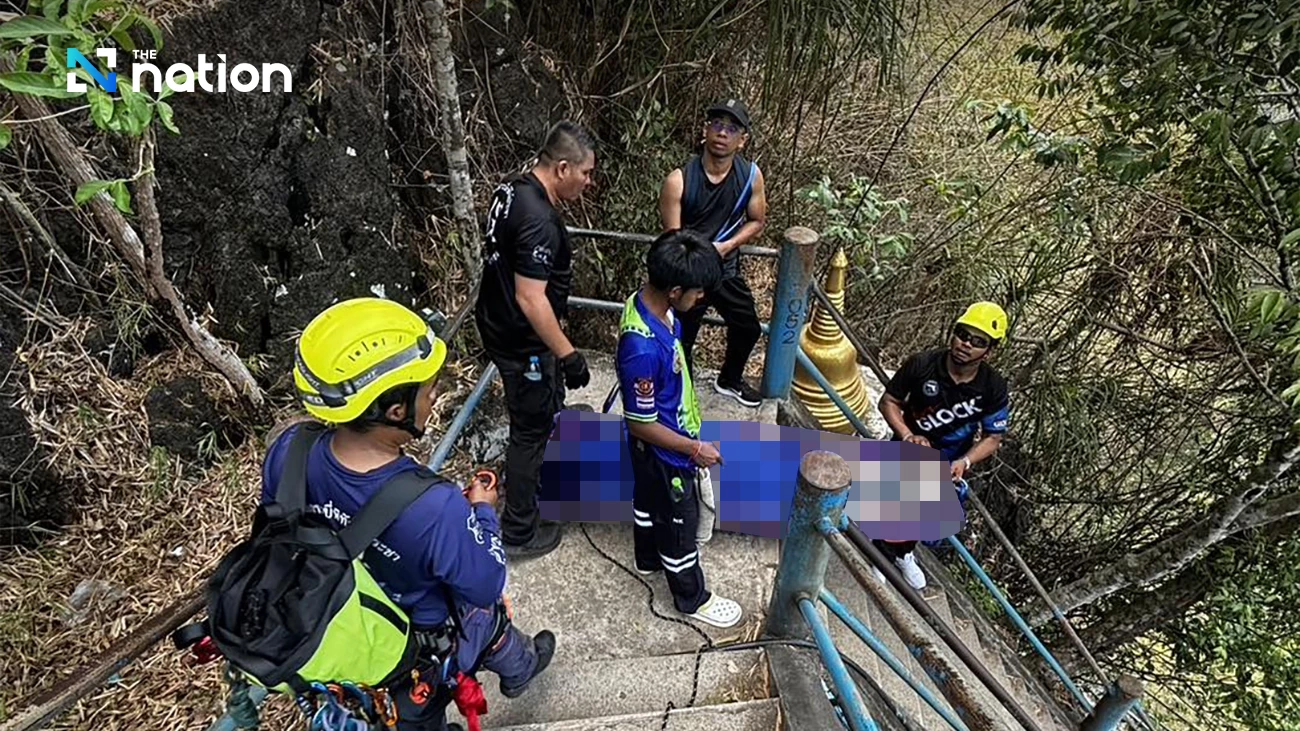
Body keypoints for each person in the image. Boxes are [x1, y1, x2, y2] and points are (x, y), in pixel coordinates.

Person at [268, 297, 556, 730]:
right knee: (485, 614)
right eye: (428, 387)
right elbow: (484, 583)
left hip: (332, 627)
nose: (436, 393)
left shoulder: (289, 451)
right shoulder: (433, 507)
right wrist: (481, 512)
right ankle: (520, 667)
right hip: (406, 655)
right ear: (396, 410)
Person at [474, 121, 597, 558]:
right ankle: (519, 529)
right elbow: (531, 298)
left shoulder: (511, 190)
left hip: (496, 322)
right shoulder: (539, 219)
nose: (588, 182)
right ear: (562, 168)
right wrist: (568, 354)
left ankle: (548, 468)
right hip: (521, 339)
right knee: (529, 431)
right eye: (584, 173)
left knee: (541, 412)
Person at [614, 229, 744, 629]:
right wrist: (693, 449)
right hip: (667, 449)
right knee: (678, 524)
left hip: (660, 442)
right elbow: (641, 423)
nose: (701, 298)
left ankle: (647, 558)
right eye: (697, 291)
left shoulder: (654, 307)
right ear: (673, 290)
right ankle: (691, 596)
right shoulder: (641, 347)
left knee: (647, 502)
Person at [874, 302, 1012, 590]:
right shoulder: (923, 364)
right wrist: (907, 433)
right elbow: (888, 401)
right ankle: (881, 554)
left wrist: (967, 461)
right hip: (909, 447)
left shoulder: (992, 387)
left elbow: (993, 437)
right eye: (962, 334)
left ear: (989, 350)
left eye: (978, 341)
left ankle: (902, 553)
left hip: (949, 458)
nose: (966, 344)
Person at [658, 98, 767, 408]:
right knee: (682, 338)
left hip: (725, 268)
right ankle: (683, 391)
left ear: (742, 140)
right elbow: (673, 240)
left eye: (732, 128)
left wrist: (726, 247)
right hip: (690, 272)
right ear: (705, 131)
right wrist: (689, 273)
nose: (722, 133)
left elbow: (757, 220)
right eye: (717, 125)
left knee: (747, 326)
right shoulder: (679, 180)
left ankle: (730, 379)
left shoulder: (750, 177)